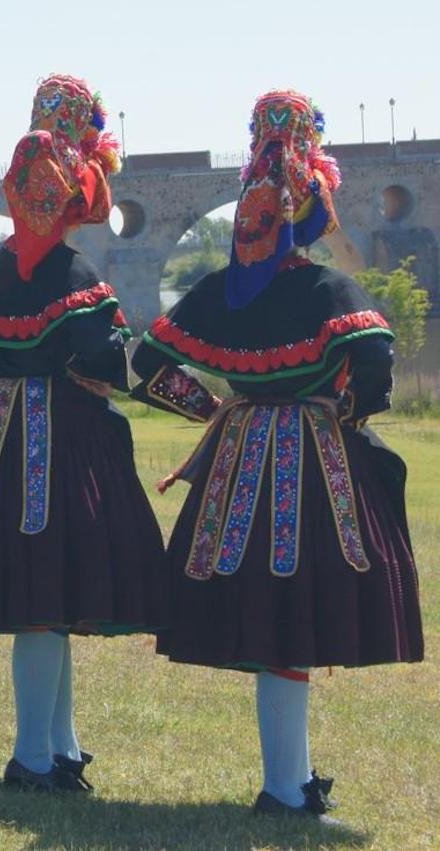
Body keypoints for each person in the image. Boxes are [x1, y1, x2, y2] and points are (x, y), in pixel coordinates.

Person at [131, 90, 423, 821]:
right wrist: (347, 411)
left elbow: (146, 363)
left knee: (270, 617)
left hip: (234, 469)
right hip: (314, 465)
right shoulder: (329, 286)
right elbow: (376, 353)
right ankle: (286, 787)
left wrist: (216, 408)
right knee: (293, 614)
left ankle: (289, 779)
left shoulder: (218, 293)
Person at [0, 74, 171, 792]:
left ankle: (59, 743)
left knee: (47, 605)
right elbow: (107, 363)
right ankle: (30, 756)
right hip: (58, 441)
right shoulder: (74, 272)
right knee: (44, 600)